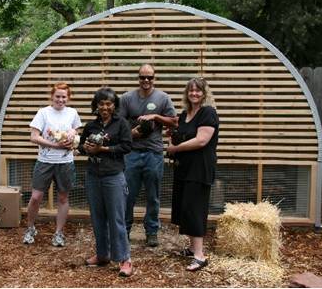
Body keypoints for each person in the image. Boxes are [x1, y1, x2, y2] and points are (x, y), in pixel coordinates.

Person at [120, 64, 177, 247]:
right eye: (143, 77)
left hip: (154, 153)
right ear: (138, 78)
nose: (146, 80)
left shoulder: (163, 97)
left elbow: (174, 121)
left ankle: (151, 231)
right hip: (132, 153)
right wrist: (132, 133)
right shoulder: (127, 98)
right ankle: (125, 230)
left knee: (153, 195)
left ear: (154, 78)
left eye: (149, 77)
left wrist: (155, 117)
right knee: (128, 195)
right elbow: (118, 125)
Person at [78, 87, 133, 277]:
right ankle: (103, 255)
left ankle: (124, 259)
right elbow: (81, 146)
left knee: (117, 219)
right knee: (97, 217)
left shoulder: (122, 124)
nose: (105, 107)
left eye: (109, 103)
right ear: (96, 105)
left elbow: (127, 146)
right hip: (93, 176)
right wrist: (84, 147)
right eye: (101, 104)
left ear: (114, 105)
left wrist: (103, 149)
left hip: (113, 176)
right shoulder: (91, 126)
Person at [166, 77, 219, 271]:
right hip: (184, 168)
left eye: (198, 90)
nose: (194, 93)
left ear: (204, 93)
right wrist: (173, 137)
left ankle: (200, 255)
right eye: (191, 90)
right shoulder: (185, 114)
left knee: (195, 209)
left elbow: (201, 141)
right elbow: (181, 134)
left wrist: (175, 148)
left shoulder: (208, 113)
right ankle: (191, 248)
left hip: (199, 169)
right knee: (185, 208)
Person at [23, 82, 82, 247]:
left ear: (68, 98)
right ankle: (30, 228)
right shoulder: (43, 113)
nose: (61, 100)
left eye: (64, 97)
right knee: (36, 197)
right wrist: (55, 145)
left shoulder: (72, 113)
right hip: (45, 161)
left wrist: (72, 133)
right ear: (52, 96)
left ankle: (58, 233)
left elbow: (77, 131)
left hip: (65, 162)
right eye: (58, 96)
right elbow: (34, 137)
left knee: (63, 198)